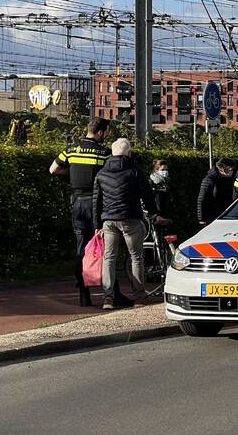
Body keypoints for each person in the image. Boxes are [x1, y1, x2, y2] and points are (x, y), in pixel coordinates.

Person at [92, 139, 162, 310]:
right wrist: (154, 213)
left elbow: (96, 202)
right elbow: (147, 194)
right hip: (130, 218)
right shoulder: (135, 171)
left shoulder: (101, 174)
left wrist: (97, 224)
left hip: (108, 221)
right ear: (128, 153)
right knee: (136, 257)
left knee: (109, 258)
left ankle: (108, 298)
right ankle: (138, 296)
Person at [50, 117, 111, 307]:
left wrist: (71, 173)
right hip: (97, 204)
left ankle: (83, 295)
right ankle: (110, 293)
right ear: (100, 132)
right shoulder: (104, 152)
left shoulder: (70, 150)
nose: (106, 136)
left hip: (77, 203)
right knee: (106, 249)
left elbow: (53, 169)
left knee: (81, 249)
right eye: (106, 132)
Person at [198, 158, 236, 226]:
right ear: (222, 169)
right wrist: (201, 218)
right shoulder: (210, 179)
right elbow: (202, 199)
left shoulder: (228, 179)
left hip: (225, 213)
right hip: (212, 215)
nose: (231, 171)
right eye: (230, 169)